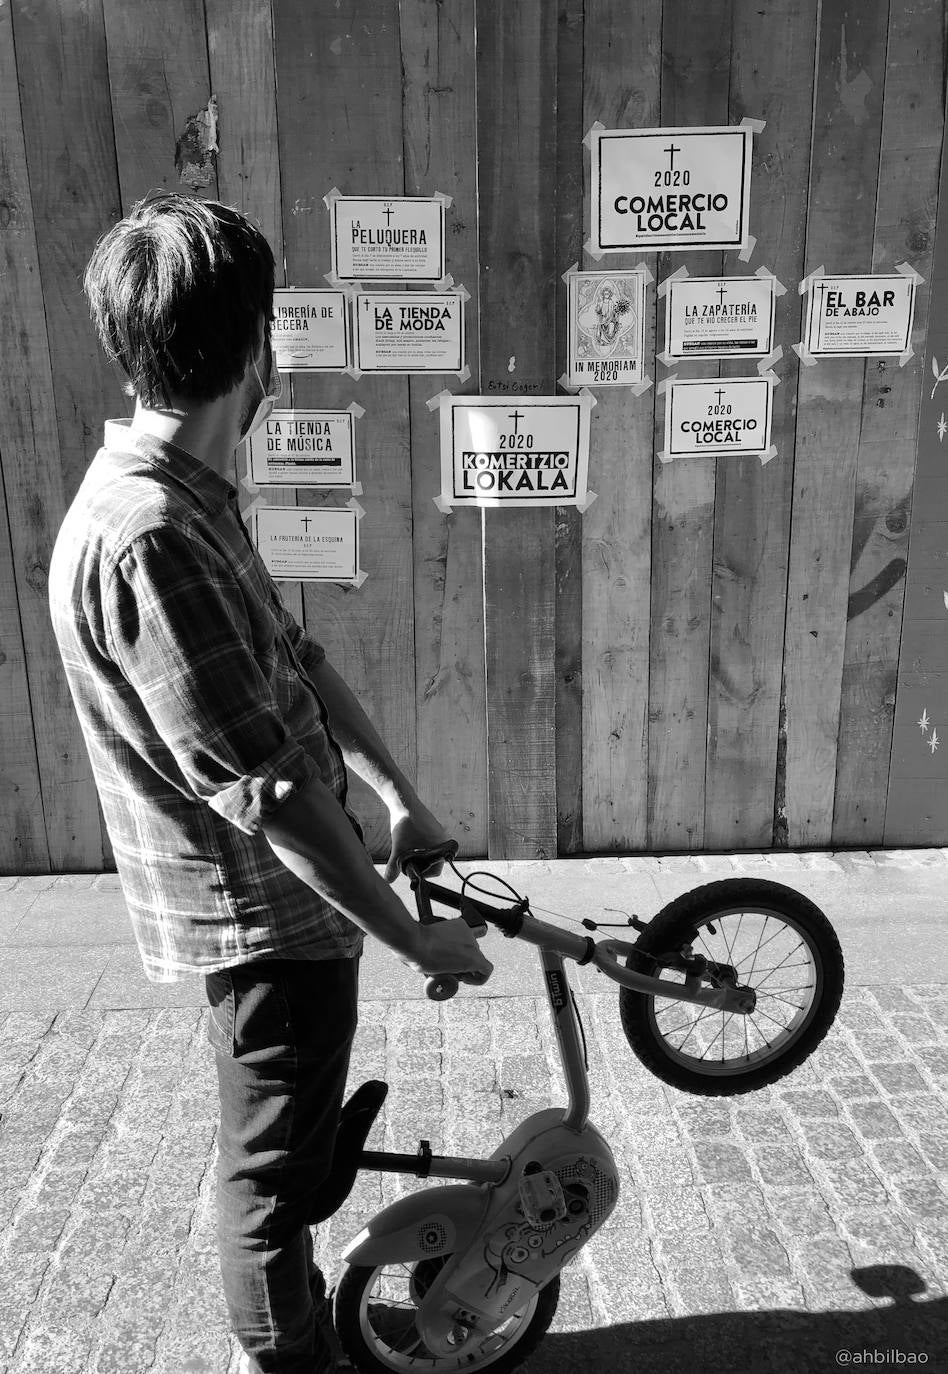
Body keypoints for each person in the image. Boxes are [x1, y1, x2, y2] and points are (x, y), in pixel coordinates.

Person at [48, 193, 493, 1374]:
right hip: (264, 924)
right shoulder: (148, 536)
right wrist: (414, 941)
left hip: (293, 905)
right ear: (256, 348)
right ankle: (288, 1363)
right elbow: (269, 794)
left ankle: (300, 1335)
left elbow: (298, 667)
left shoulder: (190, 499)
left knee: (285, 1159)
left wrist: (399, 795)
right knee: (265, 1184)